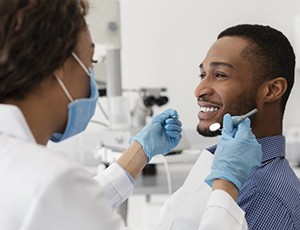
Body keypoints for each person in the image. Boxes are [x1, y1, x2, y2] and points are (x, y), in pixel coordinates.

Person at [0, 1, 261, 229]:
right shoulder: (52, 181)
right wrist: (227, 184)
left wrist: (139, 152)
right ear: (59, 67)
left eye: (220, 75)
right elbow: (63, 203)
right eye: (91, 62)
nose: (200, 89)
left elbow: (65, 211)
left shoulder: (34, 178)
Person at [155, 24, 300, 230]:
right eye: (202, 75)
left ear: (272, 90)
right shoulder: (221, 167)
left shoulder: (266, 196)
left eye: (220, 75)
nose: (199, 90)